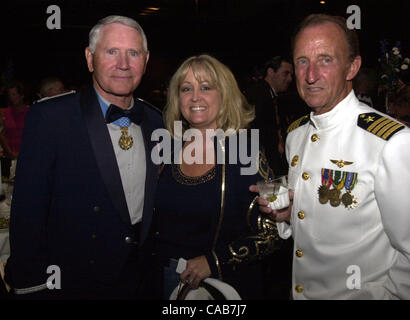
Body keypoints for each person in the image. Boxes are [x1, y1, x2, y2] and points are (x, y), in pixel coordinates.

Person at [4, 15, 162, 299]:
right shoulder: (51, 117)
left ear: (146, 60)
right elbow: (28, 213)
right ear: (90, 58)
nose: (123, 63)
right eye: (111, 51)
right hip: (77, 281)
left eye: (133, 53)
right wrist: (32, 285)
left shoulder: (155, 120)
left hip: (141, 278)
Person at [254, 14, 410, 299]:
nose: (310, 75)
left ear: (352, 67)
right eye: (302, 61)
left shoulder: (391, 142)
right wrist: (289, 216)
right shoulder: (296, 135)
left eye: (325, 60)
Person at [149, 54, 281, 300]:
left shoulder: (246, 151)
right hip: (163, 281)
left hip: (222, 285)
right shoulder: (166, 148)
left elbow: (273, 232)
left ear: (225, 94)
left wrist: (215, 261)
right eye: (186, 89)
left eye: (206, 87)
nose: (195, 97)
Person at [245, 56, 293, 176]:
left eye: (291, 75)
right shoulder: (256, 96)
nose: (290, 79)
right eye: (285, 73)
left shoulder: (276, 98)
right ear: (271, 72)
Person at [0, 81, 30, 179]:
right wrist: (10, 153)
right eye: (9, 94)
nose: (11, 97)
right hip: (8, 157)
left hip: (27, 156)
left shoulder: (31, 112)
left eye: (14, 94)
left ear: (21, 95)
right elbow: (2, 134)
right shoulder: (4, 112)